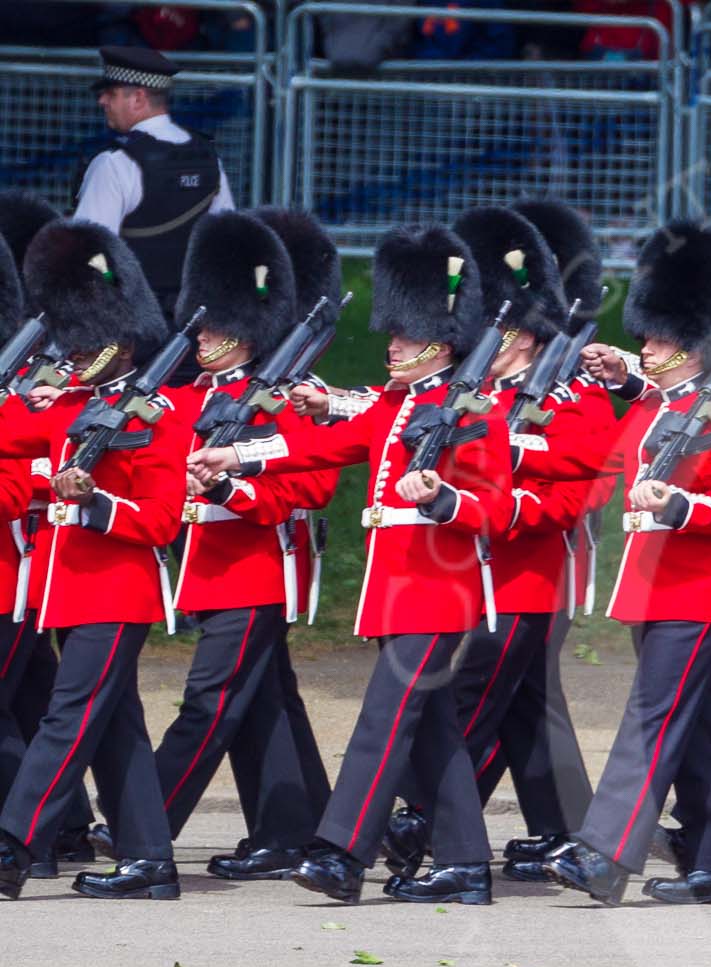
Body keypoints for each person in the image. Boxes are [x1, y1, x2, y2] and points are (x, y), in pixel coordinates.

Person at [203, 224, 514, 906]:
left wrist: (442, 497)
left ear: (438, 340)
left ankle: (342, 852)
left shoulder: (473, 412)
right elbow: (316, 447)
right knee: (431, 733)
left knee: (381, 722)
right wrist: (236, 457)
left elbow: (493, 508)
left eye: (403, 335)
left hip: (436, 590)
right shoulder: (398, 405)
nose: (391, 344)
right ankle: (464, 864)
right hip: (395, 589)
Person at [378, 204, 610, 886]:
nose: (492, 334)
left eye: (505, 326)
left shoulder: (571, 390)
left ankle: (430, 819)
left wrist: (500, 453)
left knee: (471, 699)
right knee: (530, 708)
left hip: (529, 572)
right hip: (477, 566)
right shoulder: (478, 387)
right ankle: (568, 831)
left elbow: (587, 477)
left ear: (532, 331)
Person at [542, 221, 711, 906]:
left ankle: (606, 853)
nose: (649, 346)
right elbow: (614, 456)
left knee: (650, 718)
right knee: (695, 730)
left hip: (697, 591)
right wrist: (625, 378)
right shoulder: (661, 403)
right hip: (650, 588)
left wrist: (678, 507)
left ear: (695, 345)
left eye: (661, 339)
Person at [0, 220, 187, 899]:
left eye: (88, 338)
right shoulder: (65, 407)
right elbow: (9, 432)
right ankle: (151, 861)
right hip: (64, 591)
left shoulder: (157, 416)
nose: (75, 351)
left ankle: (13, 841)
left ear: (121, 338)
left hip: (114, 593)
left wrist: (96, 500)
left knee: (66, 717)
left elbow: (163, 519)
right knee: (117, 728)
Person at [153, 212, 338, 876]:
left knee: (207, 706)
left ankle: (141, 823)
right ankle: (296, 832)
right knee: (266, 705)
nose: (201, 335)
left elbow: (306, 487)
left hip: (256, 570)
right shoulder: (189, 397)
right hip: (208, 569)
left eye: (216, 326)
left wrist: (233, 483)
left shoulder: (283, 398)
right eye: (201, 324)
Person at [73, 46, 235, 321]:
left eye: (110, 93)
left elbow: (88, 253)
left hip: (128, 327)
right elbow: (225, 240)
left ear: (138, 98)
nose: (102, 101)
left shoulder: (115, 163)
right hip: (192, 326)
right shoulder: (208, 158)